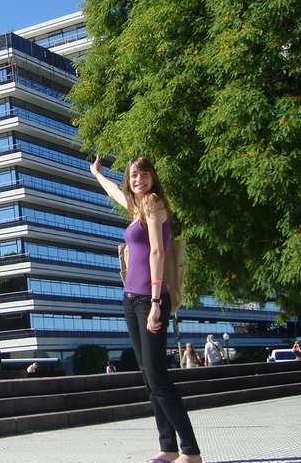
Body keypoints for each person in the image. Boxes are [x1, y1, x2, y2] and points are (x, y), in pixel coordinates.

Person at [89, 155, 202, 463]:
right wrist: (96, 172)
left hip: (150, 299)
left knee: (159, 377)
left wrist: (154, 301)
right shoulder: (136, 207)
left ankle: (190, 451)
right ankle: (167, 448)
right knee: (149, 377)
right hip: (130, 298)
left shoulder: (153, 204)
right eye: (133, 175)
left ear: (153, 177)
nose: (138, 179)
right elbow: (114, 191)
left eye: (143, 174)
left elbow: (157, 250)